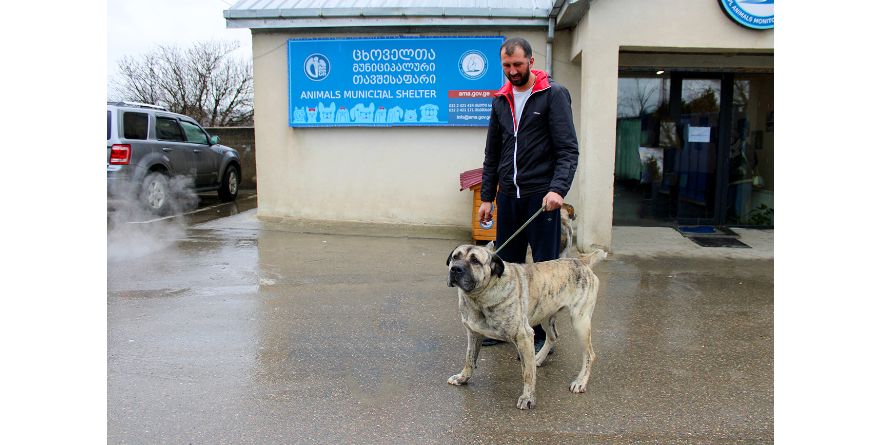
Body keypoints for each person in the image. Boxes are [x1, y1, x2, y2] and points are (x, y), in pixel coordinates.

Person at [478, 37, 580, 351]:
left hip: (541, 200)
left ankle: (540, 337)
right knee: (505, 266)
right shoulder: (500, 101)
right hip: (509, 196)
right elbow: (492, 154)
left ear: (531, 62)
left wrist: (557, 190)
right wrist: (487, 197)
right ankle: (506, 328)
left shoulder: (553, 95)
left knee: (543, 272)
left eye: (518, 65)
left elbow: (567, 150)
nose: (512, 71)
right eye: (507, 66)